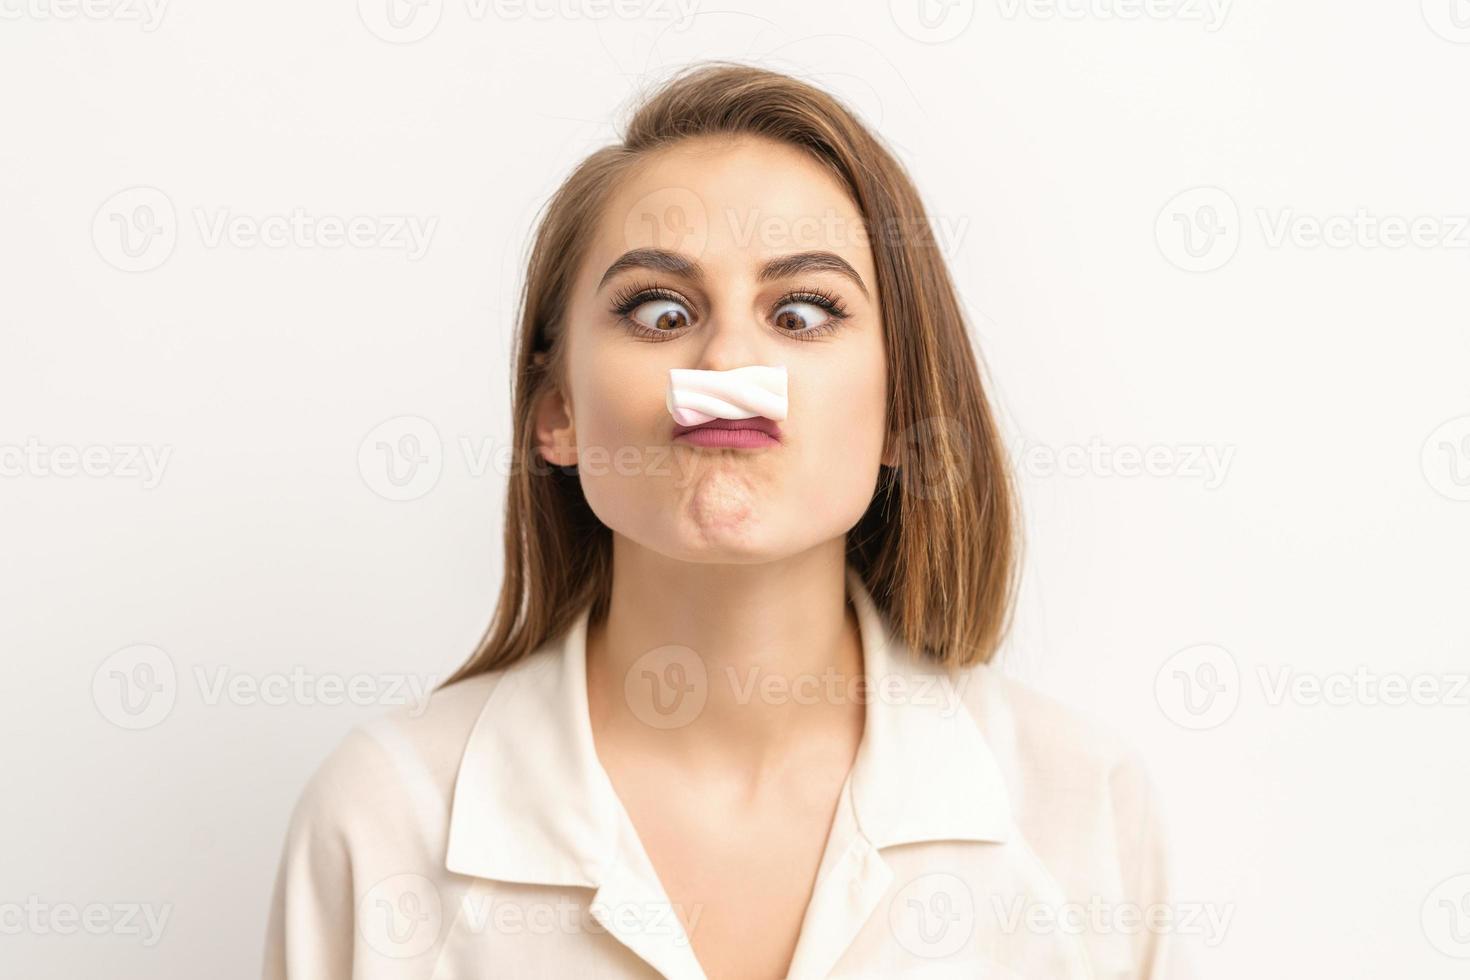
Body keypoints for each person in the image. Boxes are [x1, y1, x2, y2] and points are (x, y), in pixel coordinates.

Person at [262, 60, 1182, 979]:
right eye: (660, 313)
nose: (731, 362)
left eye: (802, 311)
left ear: (902, 406)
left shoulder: (1081, 812)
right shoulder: (382, 818)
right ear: (558, 414)